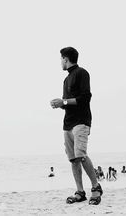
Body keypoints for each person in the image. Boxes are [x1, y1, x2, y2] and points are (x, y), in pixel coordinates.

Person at [50, 47, 103, 205]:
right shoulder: (66, 79)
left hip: (81, 121)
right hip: (68, 123)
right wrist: (60, 104)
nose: (60, 62)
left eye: (61, 59)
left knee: (81, 155)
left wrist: (64, 101)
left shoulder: (82, 73)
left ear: (66, 59)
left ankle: (96, 187)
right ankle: (80, 192)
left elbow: (85, 98)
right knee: (73, 159)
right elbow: (69, 103)